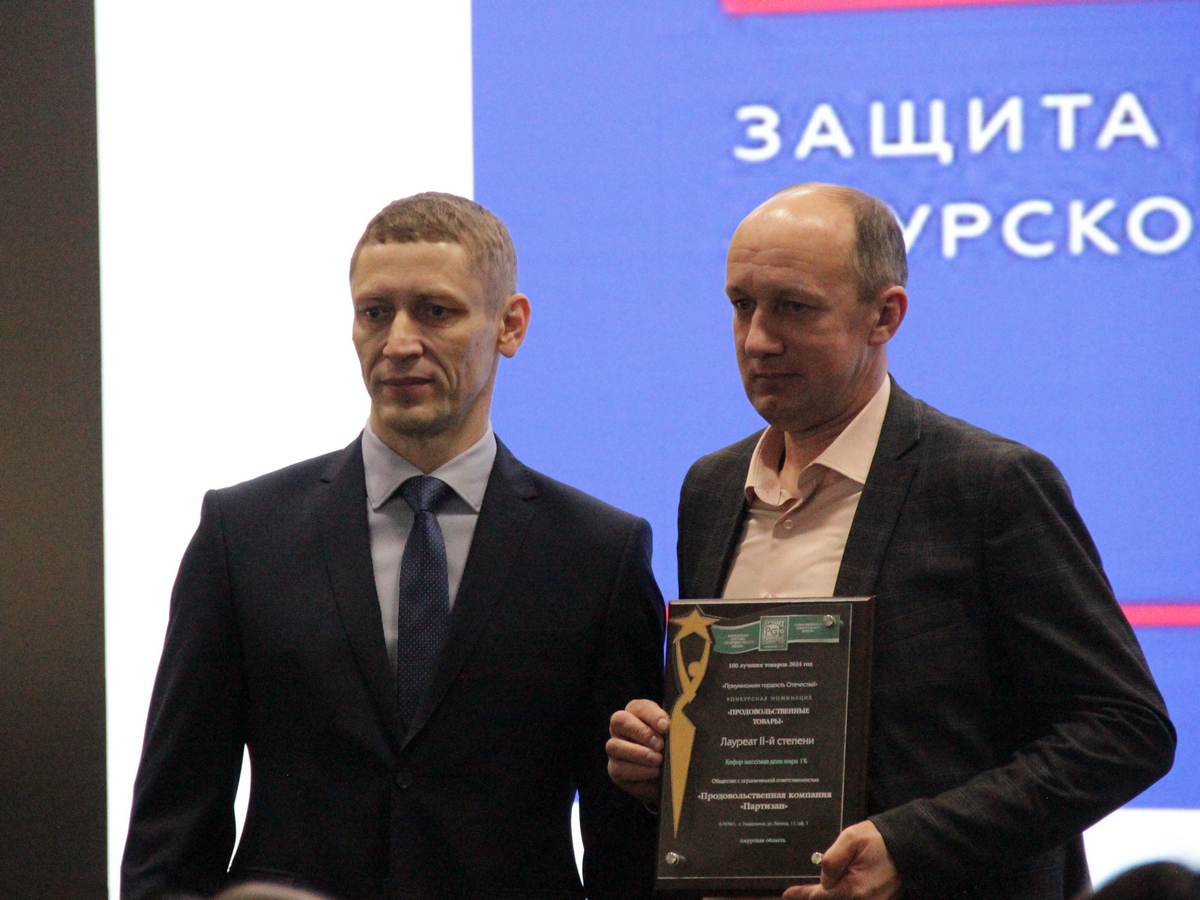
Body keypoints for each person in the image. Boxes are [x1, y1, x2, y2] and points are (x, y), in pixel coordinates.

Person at [606, 183, 1175, 900]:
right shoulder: (712, 489)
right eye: (742, 304)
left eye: (794, 307)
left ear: (885, 315)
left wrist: (911, 846)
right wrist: (670, 764)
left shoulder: (989, 485)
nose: (757, 340)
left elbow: (1124, 730)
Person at [122, 193, 665, 900]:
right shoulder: (243, 534)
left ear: (510, 325)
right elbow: (172, 828)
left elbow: (627, 841)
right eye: (375, 313)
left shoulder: (598, 554)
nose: (399, 343)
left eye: (435, 312)